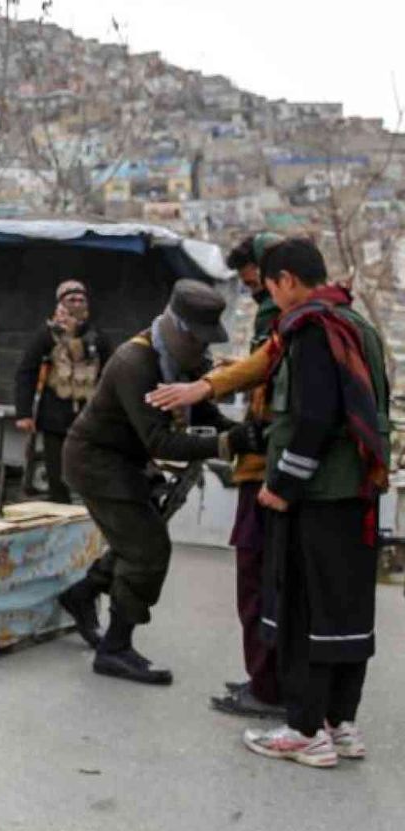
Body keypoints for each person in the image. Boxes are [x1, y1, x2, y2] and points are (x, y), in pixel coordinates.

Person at [56, 280, 264, 685]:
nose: (205, 350)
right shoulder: (136, 363)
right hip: (95, 462)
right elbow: (159, 439)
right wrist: (227, 443)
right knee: (148, 548)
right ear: (179, 329)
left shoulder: (177, 359)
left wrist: (238, 432)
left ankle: (81, 596)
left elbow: (198, 409)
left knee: (133, 541)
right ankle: (115, 649)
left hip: (123, 461)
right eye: (199, 340)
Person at [233, 240, 389, 768]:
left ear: (286, 281)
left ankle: (304, 730)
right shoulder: (357, 327)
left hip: (317, 498)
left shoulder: (311, 331)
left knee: (303, 612)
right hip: (357, 498)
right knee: (346, 613)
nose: (273, 300)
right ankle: (340, 724)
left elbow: (315, 418)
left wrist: (283, 484)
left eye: (271, 288)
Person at [146, 233, 286, 719]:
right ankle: (266, 679)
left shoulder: (284, 318)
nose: (255, 296)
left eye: (255, 285)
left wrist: (205, 390)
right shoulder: (137, 359)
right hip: (270, 463)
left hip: (268, 469)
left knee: (258, 581)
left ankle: (268, 686)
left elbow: (267, 368)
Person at [14, 279, 111, 503]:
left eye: (81, 299)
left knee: (89, 474)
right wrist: (24, 413)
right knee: (57, 476)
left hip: (88, 418)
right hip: (54, 417)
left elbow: (111, 374)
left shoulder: (97, 337)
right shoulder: (47, 335)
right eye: (71, 300)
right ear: (60, 303)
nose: (77, 304)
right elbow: (27, 372)